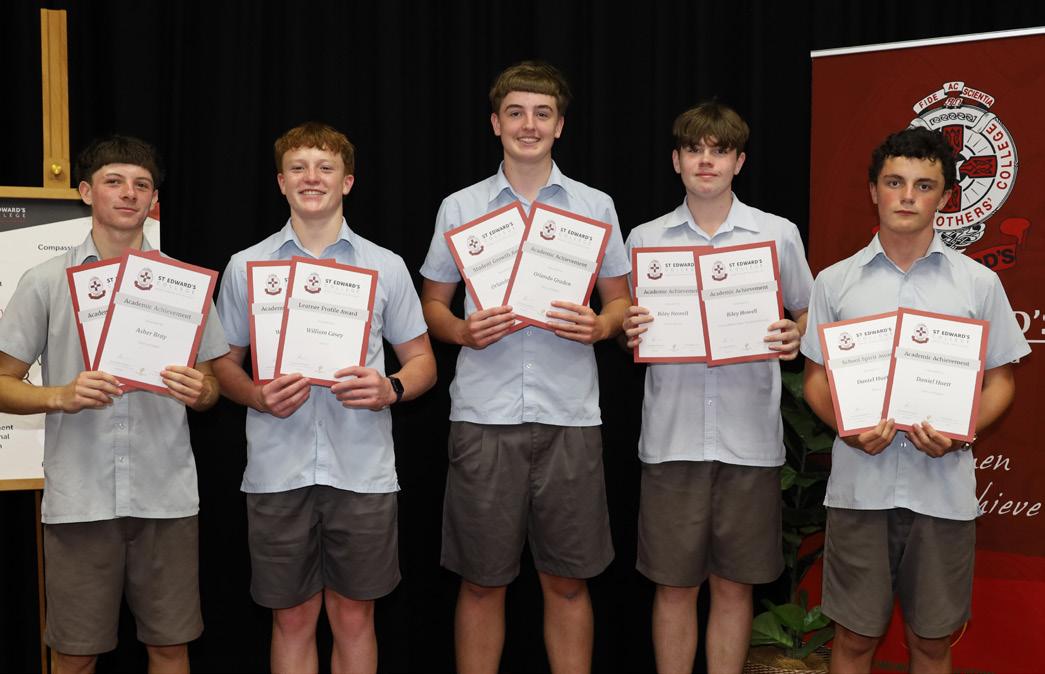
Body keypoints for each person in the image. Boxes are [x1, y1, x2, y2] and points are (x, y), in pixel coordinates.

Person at [419, 60, 630, 673]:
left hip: (570, 416)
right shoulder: (460, 207)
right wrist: (461, 330)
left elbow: (620, 302)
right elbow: (431, 306)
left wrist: (601, 325)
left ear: (560, 125)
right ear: (496, 123)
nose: (528, 125)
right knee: (481, 582)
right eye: (515, 113)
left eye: (542, 113)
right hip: (484, 416)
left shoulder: (595, 205)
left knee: (567, 582)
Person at [800, 127, 1030, 673]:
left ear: (945, 197)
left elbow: (1001, 382)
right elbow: (815, 380)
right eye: (894, 182)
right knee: (853, 640)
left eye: (923, 186)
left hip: (941, 494)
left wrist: (960, 431)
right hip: (860, 491)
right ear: (872, 191)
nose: (907, 196)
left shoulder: (977, 284)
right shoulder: (834, 282)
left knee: (931, 643)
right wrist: (848, 427)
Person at [212, 121, 436, 674]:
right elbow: (221, 366)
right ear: (280, 182)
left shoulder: (384, 265)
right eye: (298, 168)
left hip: (361, 470)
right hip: (277, 471)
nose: (311, 178)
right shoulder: (245, 266)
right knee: (291, 619)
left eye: (325, 167)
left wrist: (391, 388)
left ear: (347, 181)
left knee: (355, 617)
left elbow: (424, 363)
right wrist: (256, 396)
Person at [0, 135, 227, 674]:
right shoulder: (45, 281)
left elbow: (212, 383)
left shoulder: (184, 284)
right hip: (81, 500)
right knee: (75, 655)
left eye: (142, 185)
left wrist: (202, 392)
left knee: (170, 648)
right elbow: (3, 380)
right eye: (114, 182)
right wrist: (60, 395)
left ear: (154, 200)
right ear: (86, 192)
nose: (129, 193)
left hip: (165, 498)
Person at [622, 102, 813, 674]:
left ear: (739, 162)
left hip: (749, 441)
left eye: (720, 151)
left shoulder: (776, 234)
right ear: (676, 160)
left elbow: (808, 314)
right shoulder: (645, 239)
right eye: (695, 150)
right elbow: (627, 325)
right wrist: (629, 330)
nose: (707, 161)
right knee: (674, 586)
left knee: (734, 586)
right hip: (672, 440)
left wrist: (795, 334)